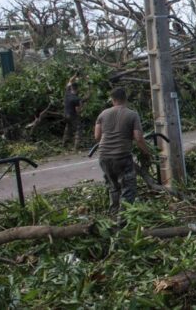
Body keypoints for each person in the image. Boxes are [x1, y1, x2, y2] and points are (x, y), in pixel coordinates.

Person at [94, 87, 151, 217]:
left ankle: (113, 216)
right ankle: (123, 219)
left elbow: (97, 136)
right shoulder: (132, 114)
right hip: (122, 157)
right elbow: (138, 138)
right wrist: (147, 152)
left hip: (104, 156)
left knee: (113, 187)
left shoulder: (102, 114)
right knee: (128, 189)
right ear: (125, 98)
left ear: (112, 100)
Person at [62, 75, 82, 150]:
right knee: (78, 128)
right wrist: (81, 107)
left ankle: (64, 144)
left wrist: (76, 75)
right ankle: (76, 147)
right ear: (77, 89)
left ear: (71, 88)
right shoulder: (76, 99)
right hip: (72, 115)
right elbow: (78, 110)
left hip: (65, 114)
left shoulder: (67, 93)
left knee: (68, 128)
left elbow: (70, 81)